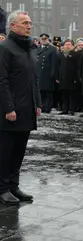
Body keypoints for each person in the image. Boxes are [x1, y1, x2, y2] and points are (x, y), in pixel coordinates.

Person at [0, 10, 41, 205]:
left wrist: (38, 103)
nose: (29, 26)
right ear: (13, 26)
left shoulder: (30, 47)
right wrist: (8, 107)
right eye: (25, 23)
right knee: (5, 151)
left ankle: (13, 185)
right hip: (10, 110)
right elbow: (2, 80)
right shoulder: (5, 48)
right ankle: (2, 188)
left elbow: (33, 78)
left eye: (30, 22)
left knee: (19, 151)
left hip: (27, 109)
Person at [57, 39, 80, 115]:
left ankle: (72, 109)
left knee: (72, 95)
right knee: (64, 95)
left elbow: (78, 67)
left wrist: (76, 78)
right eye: (66, 44)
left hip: (72, 78)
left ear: (72, 46)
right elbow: (58, 66)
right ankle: (65, 109)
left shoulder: (76, 54)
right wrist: (57, 77)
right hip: (63, 78)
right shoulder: (61, 54)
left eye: (69, 44)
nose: (67, 46)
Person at [36, 33, 58, 113]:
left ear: (48, 40)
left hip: (47, 73)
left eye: (45, 39)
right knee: (40, 91)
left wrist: (52, 73)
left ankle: (47, 107)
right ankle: (41, 106)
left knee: (48, 92)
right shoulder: (37, 48)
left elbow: (53, 63)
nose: (43, 40)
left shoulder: (52, 49)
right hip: (39, 73)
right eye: (42, 39)